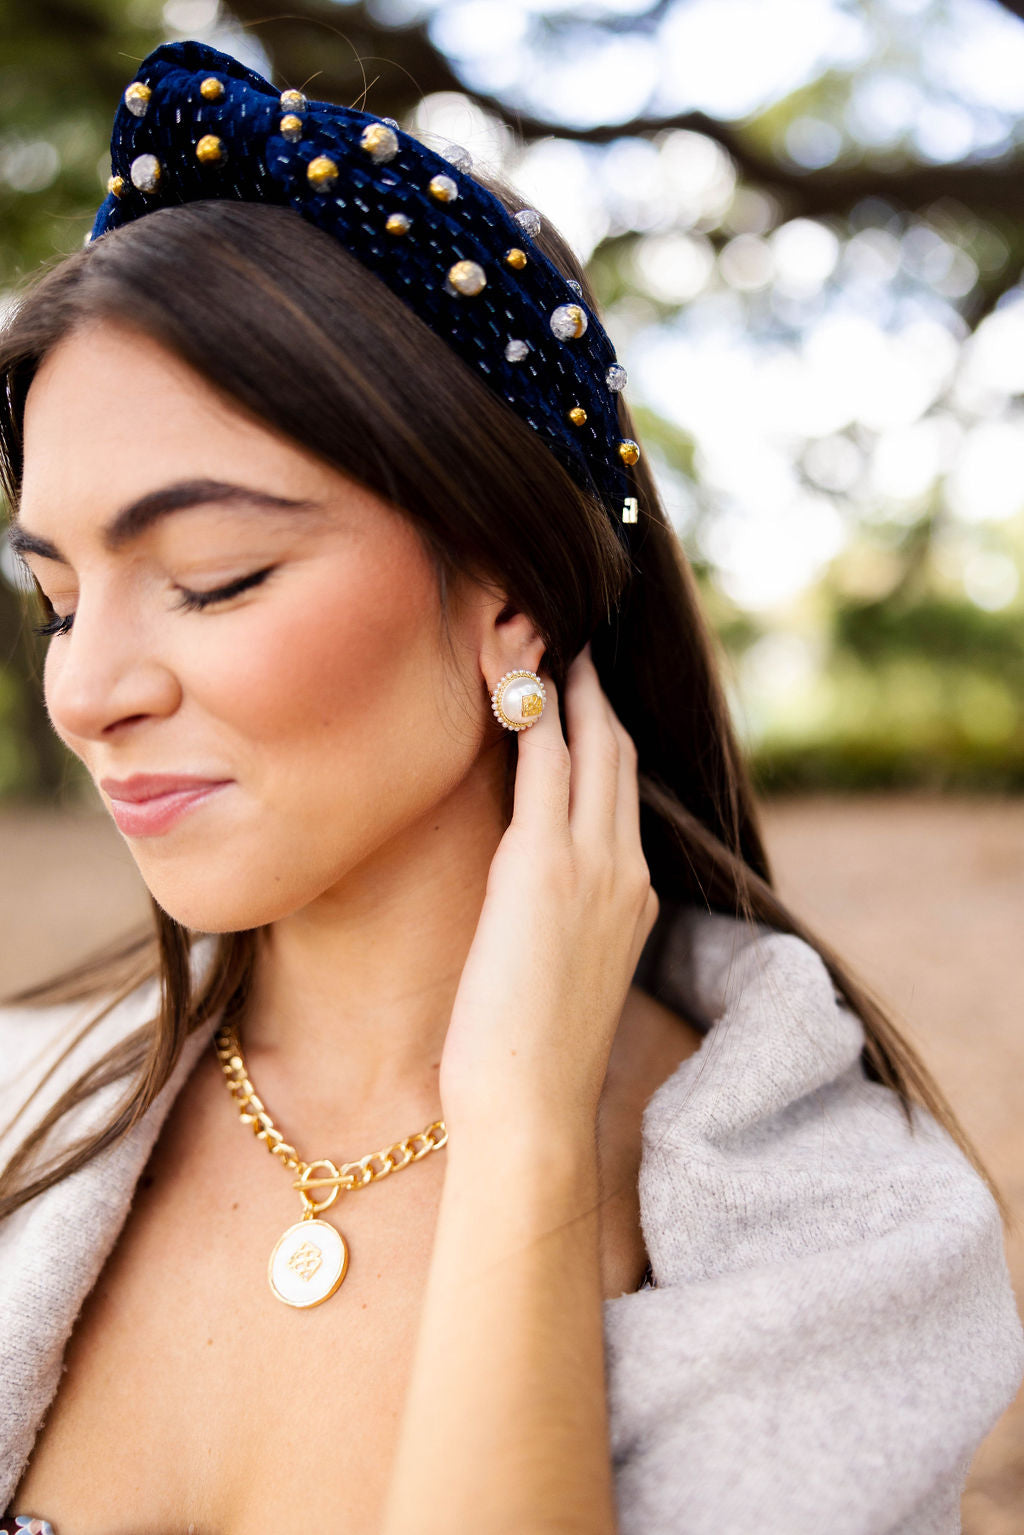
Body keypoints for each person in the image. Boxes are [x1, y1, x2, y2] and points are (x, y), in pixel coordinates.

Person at [0, 37, 1020, 1535]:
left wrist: (527, 1139)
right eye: (58, 602)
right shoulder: (25, 1101)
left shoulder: (841, 1243)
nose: (87, 692)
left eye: (215, 581)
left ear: (508, 596)